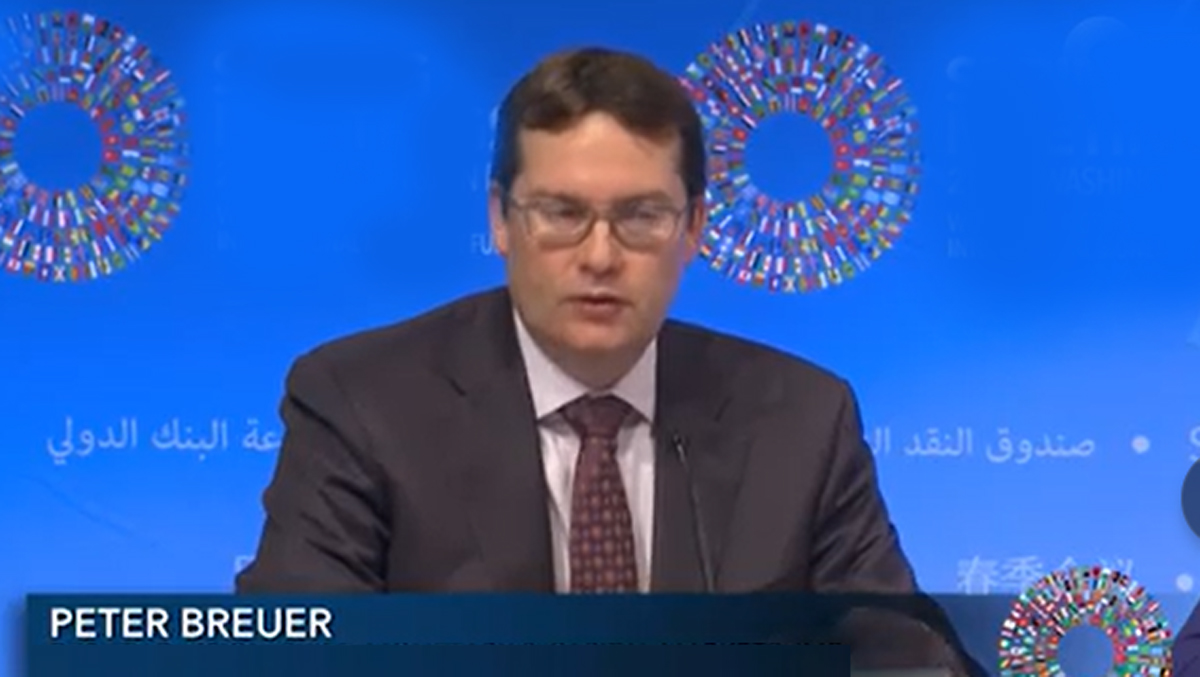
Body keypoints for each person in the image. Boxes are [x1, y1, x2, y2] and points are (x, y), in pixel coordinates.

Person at [236, 46, 981, 674]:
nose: (599, 255)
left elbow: (909, 656)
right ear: (501, 219)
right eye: (562, 214)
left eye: (641, 216)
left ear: (693, 228)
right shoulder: (363, 403)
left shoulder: (801, 420)